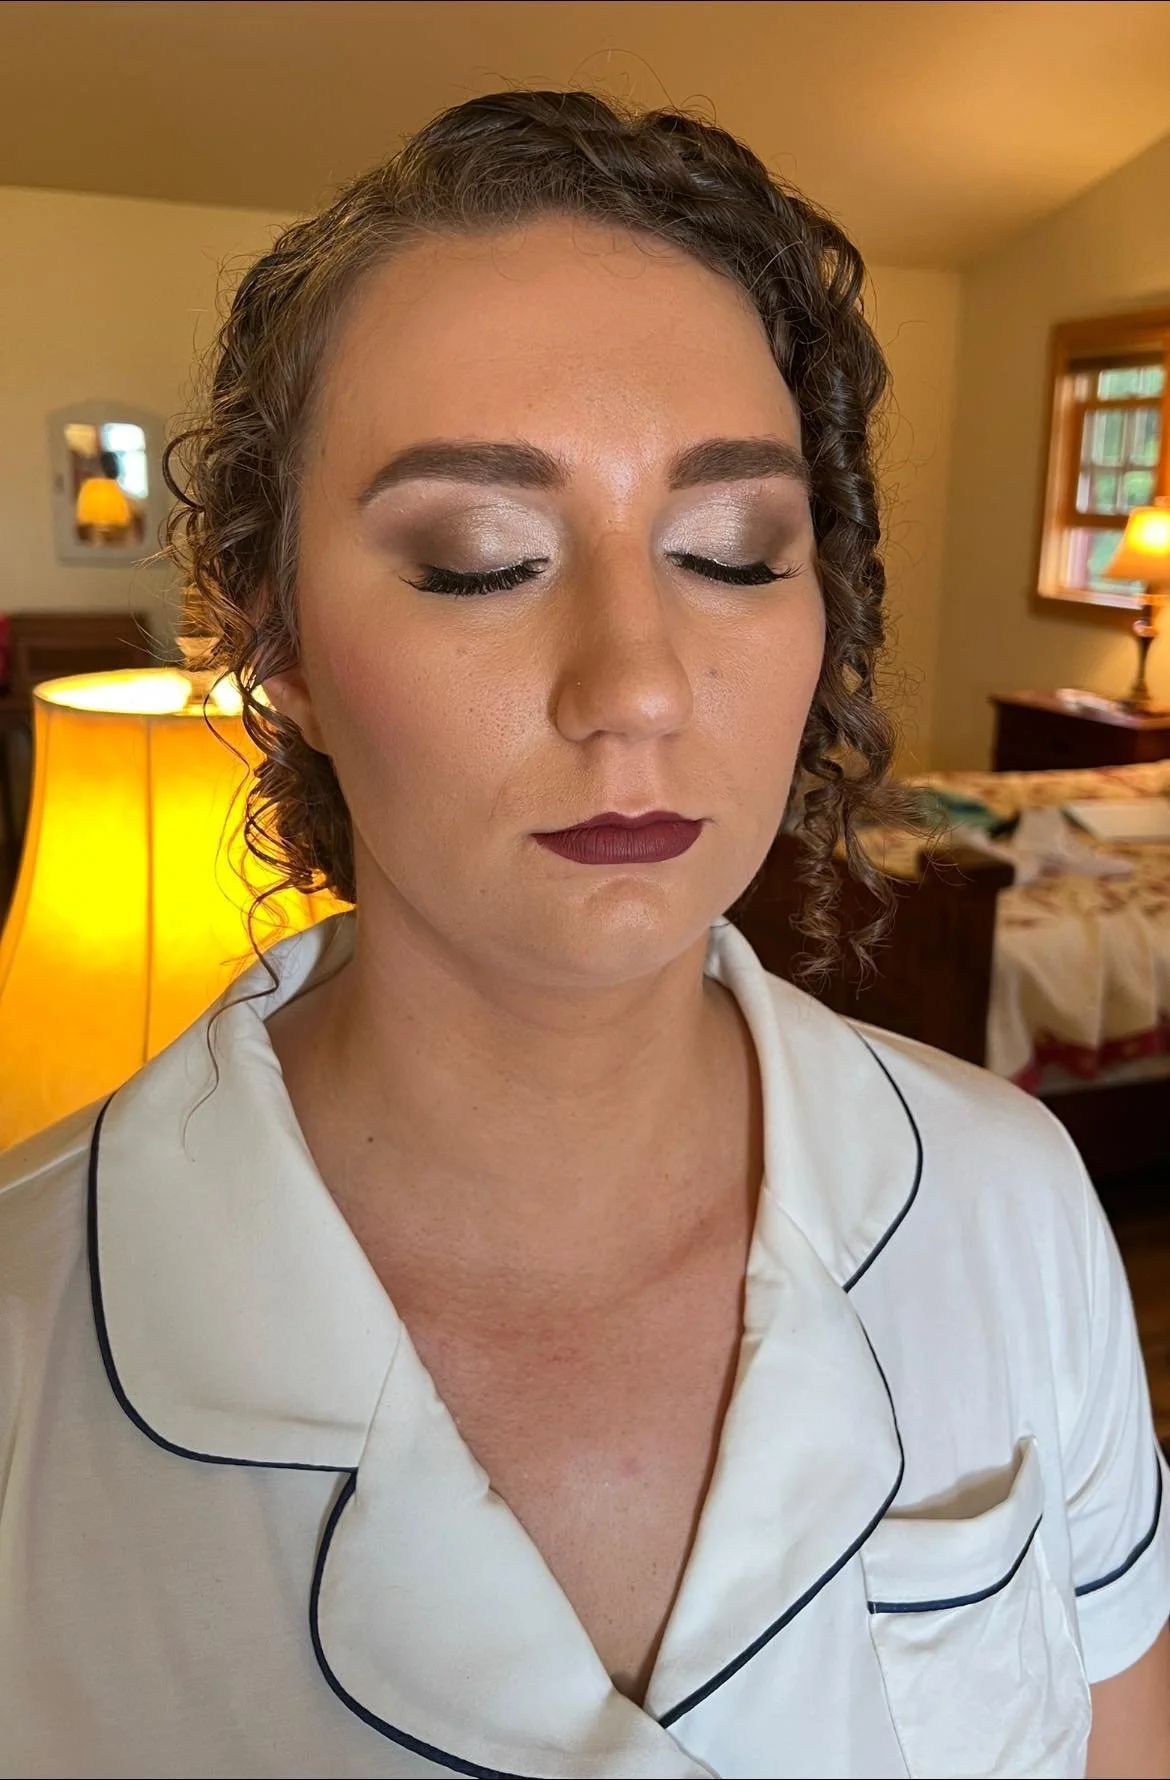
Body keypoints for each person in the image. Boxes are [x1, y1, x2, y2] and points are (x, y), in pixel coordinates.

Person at [0, 89, 1166, 1780]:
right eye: (480, 561)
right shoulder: (32, 1342)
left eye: (729, 551)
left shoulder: (1008, 1194)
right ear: (287, 651)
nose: (631, 683)